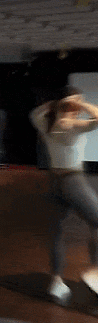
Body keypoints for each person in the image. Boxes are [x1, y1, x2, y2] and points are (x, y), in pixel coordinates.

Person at [30, 86, 98, 305]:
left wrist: (53, 104)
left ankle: (56, 281)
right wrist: (82, 103)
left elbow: (34, 113)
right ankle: (95, 273)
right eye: (75, 104)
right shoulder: (73, 125)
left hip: (55, 182)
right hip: (73, 181)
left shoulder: (46, 122)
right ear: (71, 105)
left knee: (57, 232)